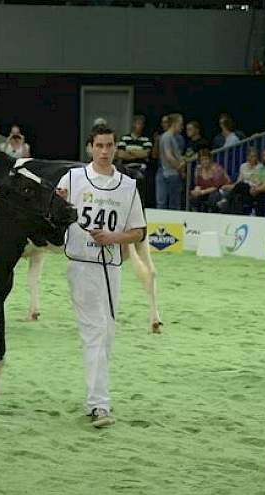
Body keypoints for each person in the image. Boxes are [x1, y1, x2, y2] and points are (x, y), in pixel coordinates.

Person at [56, 124, 146, 428]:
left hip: (110, 267)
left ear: (115, 148)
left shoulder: (128, 186)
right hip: (81, 264)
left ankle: (96, 398)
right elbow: (53, 212)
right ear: (90, 148)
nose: (105, 151)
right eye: (100, 145)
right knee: (94, 331)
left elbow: (139, 231)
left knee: (106, 333)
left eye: (110, 145)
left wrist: (115, 237)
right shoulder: (72, 178)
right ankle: (99, 405)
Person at [157, 113, 185, 210]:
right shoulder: (167, 137)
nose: (182, 127)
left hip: (172, 173)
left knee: (173, 203)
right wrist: (179, 168)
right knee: (171, 203)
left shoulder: (172, 138)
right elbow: (169, 155)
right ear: (174, 123)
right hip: (170, 173)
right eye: (180, 124)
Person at [189, 148, 229, 212]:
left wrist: (201, 192)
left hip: (220, 191)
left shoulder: (216, 169)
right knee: (193, 197)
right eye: (202, 160)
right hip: (205, 190)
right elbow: (198, 184)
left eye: (206, 159)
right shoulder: (198, 168)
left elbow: (216, 187)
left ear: (210, 159)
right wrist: (196, 191)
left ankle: (211, 214)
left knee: (213, 197)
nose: (204, 161)